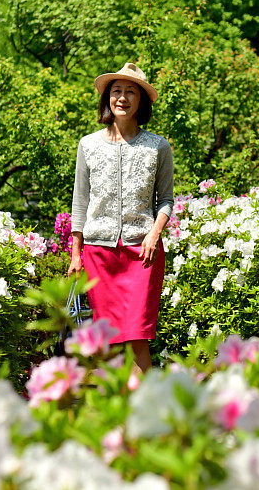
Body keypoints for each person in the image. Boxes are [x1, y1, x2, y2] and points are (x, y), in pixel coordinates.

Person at [68, 62, 174, 373]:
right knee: (110, 341)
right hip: (99, 255)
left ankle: (143, 415)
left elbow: (166, 200)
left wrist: (154, 233)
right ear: (107, 99)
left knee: (138, 338)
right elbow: (80, 202)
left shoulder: (158, 146)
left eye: (130, 92)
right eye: (117, 91)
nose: (122, 98)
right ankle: (113, 415)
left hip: (142, 254)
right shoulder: (88, 145)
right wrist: (76, 253)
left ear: (141, 101)